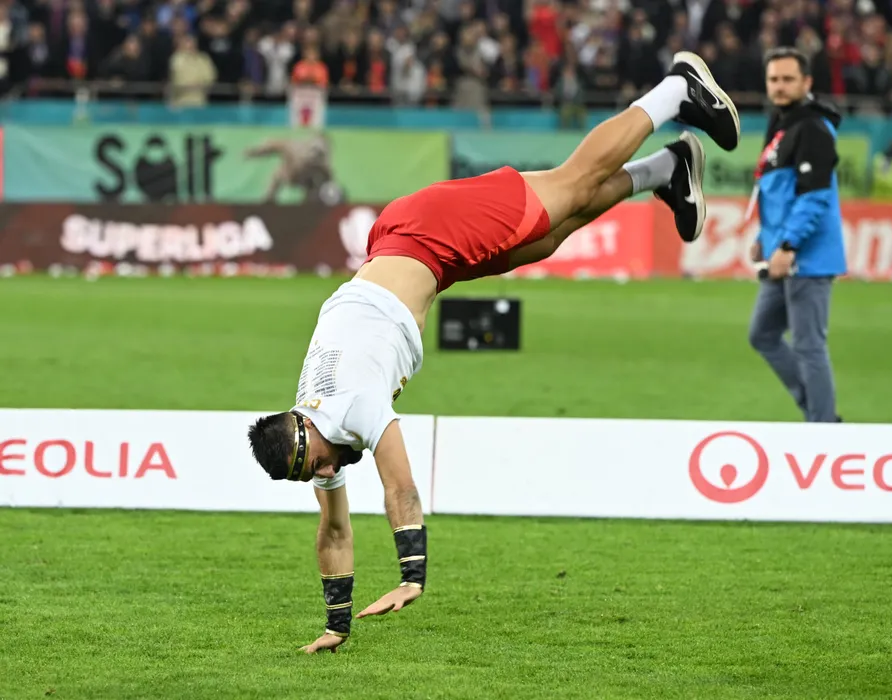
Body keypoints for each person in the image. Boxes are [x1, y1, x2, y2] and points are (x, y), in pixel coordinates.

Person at [247, 51, 740, 653]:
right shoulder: (315, 431)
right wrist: (337, 623)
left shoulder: (350, 406)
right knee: (547, 236)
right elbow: (332, 530)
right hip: (418, 253)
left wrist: (412, 576)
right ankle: (668, 167)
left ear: (305, 433)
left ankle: (675, 91)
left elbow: (401, 489)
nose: (327, 473)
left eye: (319, 465)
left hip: (428, 233)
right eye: (315, 475)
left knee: (572, 182)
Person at [748, 47, 846, 423]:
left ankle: (823, 428)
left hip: (806, 256)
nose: (779, 86)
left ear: (807, 83)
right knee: (762, 334)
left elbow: (814, 197)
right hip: (780, 253)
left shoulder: (812, 128)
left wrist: (788, 245)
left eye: (788, 79)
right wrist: (765, 238)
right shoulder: (782, 124)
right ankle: (816, 408)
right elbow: (779, 193)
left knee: (808, 346)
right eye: (774, 79)